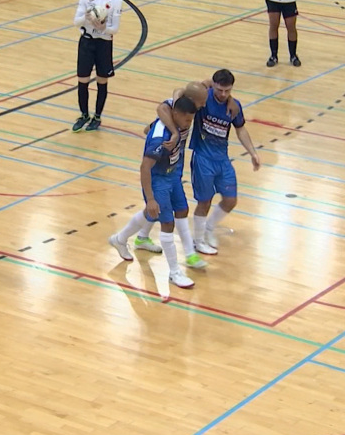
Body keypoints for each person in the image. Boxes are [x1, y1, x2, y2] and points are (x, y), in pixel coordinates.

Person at [108, 96, 206, 289]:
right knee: (166, 222)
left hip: (171, 176)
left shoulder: (175, 123)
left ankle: (120, 239)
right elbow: (145, 167)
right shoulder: (160, 138)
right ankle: (175, 273)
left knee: (180, 210)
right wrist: (151, 198)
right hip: (157, 180)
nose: (189, 124)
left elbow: (149, 126)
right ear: (176, 115)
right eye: (187, 120)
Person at [134, 74, 240, 253]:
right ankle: (127, 238)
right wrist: (173, 133)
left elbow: (206, 83)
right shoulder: (175, 108)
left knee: (169, 207)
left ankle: (143, 237)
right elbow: (161, 108)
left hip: (176, 161)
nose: (205, 105)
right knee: (162, 209)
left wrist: (228, 98)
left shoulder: (190, 105)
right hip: (163, 164)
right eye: (202, 102)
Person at [188, 70, 260, 252]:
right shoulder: (202, 99)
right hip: (203, 158)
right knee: (204, 201)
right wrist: (206, 83)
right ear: (213, 85)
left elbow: (241, 129)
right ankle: (198, 241)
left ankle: (209, 228)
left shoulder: (234, 106)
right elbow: (186, 91)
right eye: (219, 90)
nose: (223, 94)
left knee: (230, 200)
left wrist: (253, 153)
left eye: (227, 91)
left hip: (222, 158)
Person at [72, 0, 123, 132]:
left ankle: (97, 116)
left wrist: (103, 29)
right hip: (87, 42)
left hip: (103, 44)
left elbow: (115, 28)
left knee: (102, 80)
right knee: (83, 80)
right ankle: (84, 114)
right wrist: (86, 17)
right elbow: (76, 21)